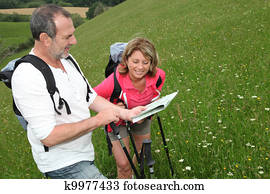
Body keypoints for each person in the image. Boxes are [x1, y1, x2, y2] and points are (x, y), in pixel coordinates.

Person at [11, 4, 144, 179]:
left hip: (84, 155)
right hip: (63, 165)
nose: (74, 41)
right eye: (68, 36)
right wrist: (97, 121)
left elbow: (90, 97)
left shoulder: (67, 59)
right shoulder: (27, 76)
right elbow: (48, 137)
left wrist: (126, 113)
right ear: (45, 38)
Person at [94, 37, 166, 178]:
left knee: (142, 154)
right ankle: (126, 174)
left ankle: (131, 174)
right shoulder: (114, 81)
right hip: (118, 121)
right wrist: (113, 107)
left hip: (142, 117)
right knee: (123, 165)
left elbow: (155, 95)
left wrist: (147, 110)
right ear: (126, 60)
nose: (140, 67)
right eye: (135, 61)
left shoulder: (159, 76)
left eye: (146, 62)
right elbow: (91, 97)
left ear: (152, 62)